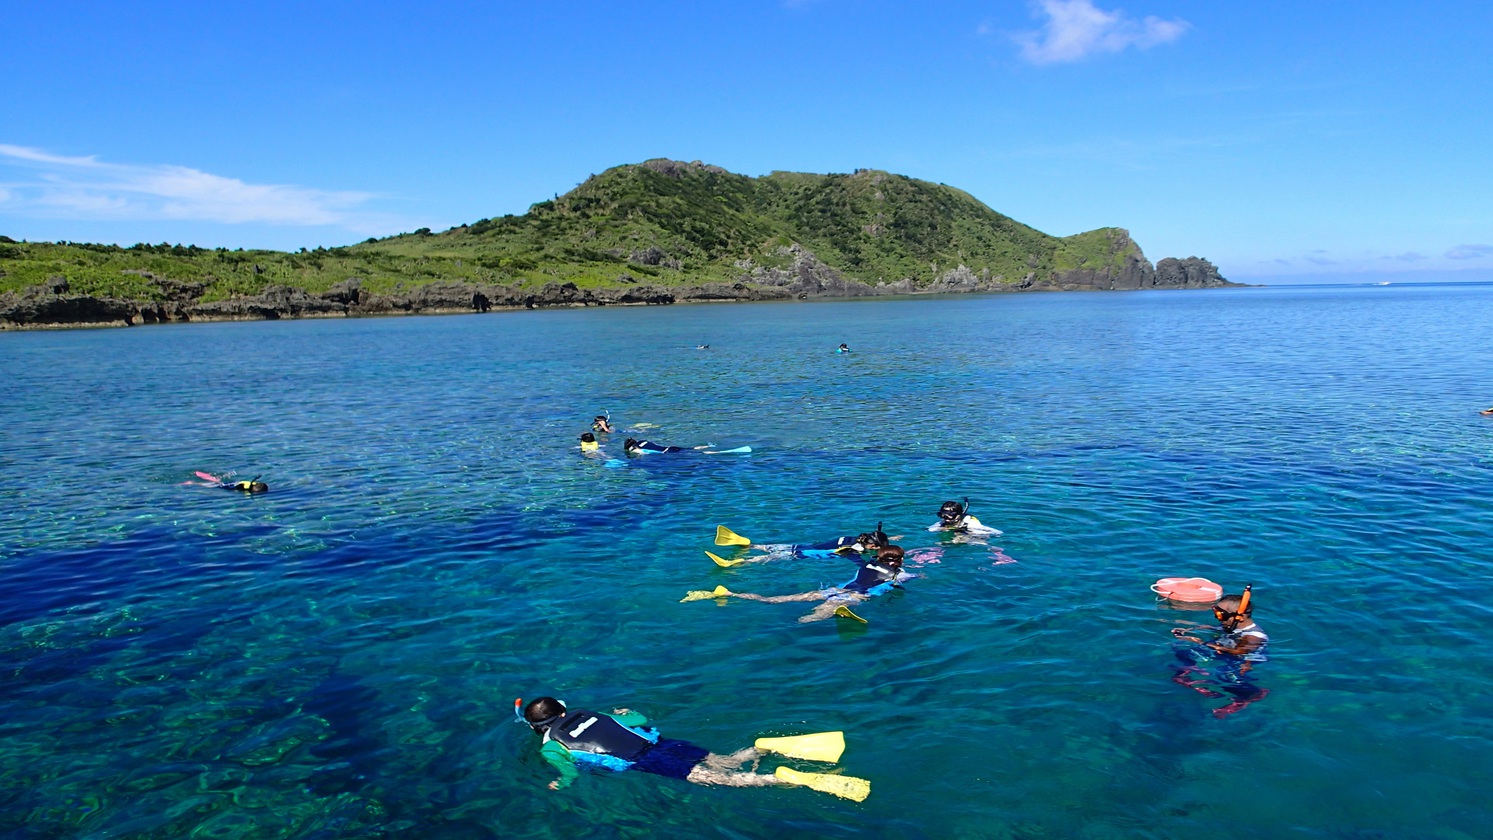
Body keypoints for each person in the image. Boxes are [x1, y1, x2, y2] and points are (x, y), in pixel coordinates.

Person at [517, 696, 869, 800]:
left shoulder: (551, 746)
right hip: (660, 742)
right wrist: (625, 713)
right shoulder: (587, 711)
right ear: (562, 711)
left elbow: (568, 772)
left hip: (642, 761)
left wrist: (559, 784)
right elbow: (636, 717)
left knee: (719, 780)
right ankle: (760, 749)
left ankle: (782, 778)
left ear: (536, 728)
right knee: (725, 762)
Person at [684, 545, 911, 622]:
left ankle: (728, 594)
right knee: (809, 619)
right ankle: (790, 629)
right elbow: (897, 582)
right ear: (899, 560)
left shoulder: (867, 565)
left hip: (837, 590)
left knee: (775, 600)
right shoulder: (899, 574)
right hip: (855, 597)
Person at [1169, 587, 1270, 718]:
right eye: (1216, 612)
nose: (1217, 617)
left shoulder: (1254, 636)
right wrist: (1189, 630)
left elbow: (1238, 652)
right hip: (1223, 650)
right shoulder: (1230, 624)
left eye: (1220, 614)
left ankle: (1250, 695)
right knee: (1183, 651)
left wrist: (1201, 642)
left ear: (1241, 617)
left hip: (1242, 659)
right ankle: (1188, 672)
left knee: (1224, 674)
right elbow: (1211, 628)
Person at [709, 524, 892, 566]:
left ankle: (746, 544)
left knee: (769, 548)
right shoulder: (851, 550)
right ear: (872, 546)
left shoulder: (851, 538)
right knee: (766, 559)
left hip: (798, 545)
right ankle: (737, 563)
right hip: (802, 554)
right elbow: (861, 564)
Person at [928, 499, 1001, 536]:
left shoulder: (970, 523)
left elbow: (997, 532)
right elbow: (931, 529)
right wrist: (942, 528)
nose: (946, 519)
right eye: (943, 515)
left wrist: (968, 532)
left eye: (950, 516)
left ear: (960, 515)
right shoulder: (944, 521)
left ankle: (999, 555)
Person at [187, 471, 268, 494]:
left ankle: (205, 475)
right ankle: (192, 483)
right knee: (208, 485)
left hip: (230, 483)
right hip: (222, 486)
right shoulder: (243, 490)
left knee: (217, 481)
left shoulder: (249, 484)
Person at [623, 438, 711, 455]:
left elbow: (641, 453)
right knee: (691, 448)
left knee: (696, 453)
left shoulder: (634, 448)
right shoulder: (643, 441)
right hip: (669, 447)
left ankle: (712, 452)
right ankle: (708, 446)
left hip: (667, 452)